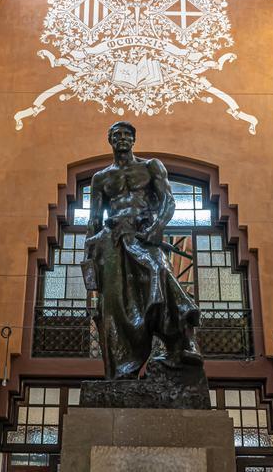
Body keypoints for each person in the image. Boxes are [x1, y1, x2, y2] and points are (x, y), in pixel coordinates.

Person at [84, 121, 203, 379]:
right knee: (115, 303)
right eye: (117, 135)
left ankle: (183, 343)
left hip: (144, 236)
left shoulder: (151, 166)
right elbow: (93, 219)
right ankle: (123, 370)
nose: (122, 138)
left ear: (134, 139)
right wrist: (89, 260)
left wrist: (157, 227)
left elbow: (168, 201)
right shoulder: (101, 178)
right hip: (113, 240)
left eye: (127, 134)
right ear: (110, 140)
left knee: (161, 274)